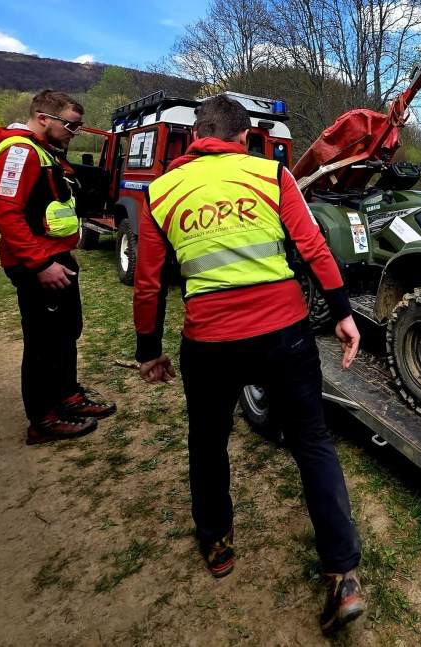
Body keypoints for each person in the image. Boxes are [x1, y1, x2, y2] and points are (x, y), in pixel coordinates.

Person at [133, 96, 366, 634]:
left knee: (208, 442)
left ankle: (217, 543)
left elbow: (149, 281)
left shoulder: (160, 191)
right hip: (284, 332)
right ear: (244, 138)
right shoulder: (271, 174)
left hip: (210, 341)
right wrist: (342, 314)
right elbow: (312, 249)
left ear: (198, 138)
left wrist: (150, 349)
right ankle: (343, 575)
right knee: (312, 442)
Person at [0, 90, 116, 445]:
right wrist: (40, 263)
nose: (75, 131)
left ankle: (67, 397)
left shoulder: (46, 152)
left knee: (66, 331)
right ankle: (42, 419)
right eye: (71, 124)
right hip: (37, 263)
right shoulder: (19, 152)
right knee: (43, 341)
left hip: (57, 258)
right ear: (44, 118)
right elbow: (6, 214)